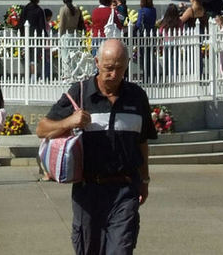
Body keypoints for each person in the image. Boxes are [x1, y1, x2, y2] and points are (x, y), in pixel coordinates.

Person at [36, 39, 157, 255]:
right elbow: (42, 129)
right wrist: (69, 122)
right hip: (88, 191)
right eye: (109, 68)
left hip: (125, 190)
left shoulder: (137, 96)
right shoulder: (80, 93)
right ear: (97, 63)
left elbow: (142, 142)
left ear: (128, 64)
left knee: (121, 249)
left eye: (120, 68)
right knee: (88, 249)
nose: (114, 74)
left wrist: (145, 180)